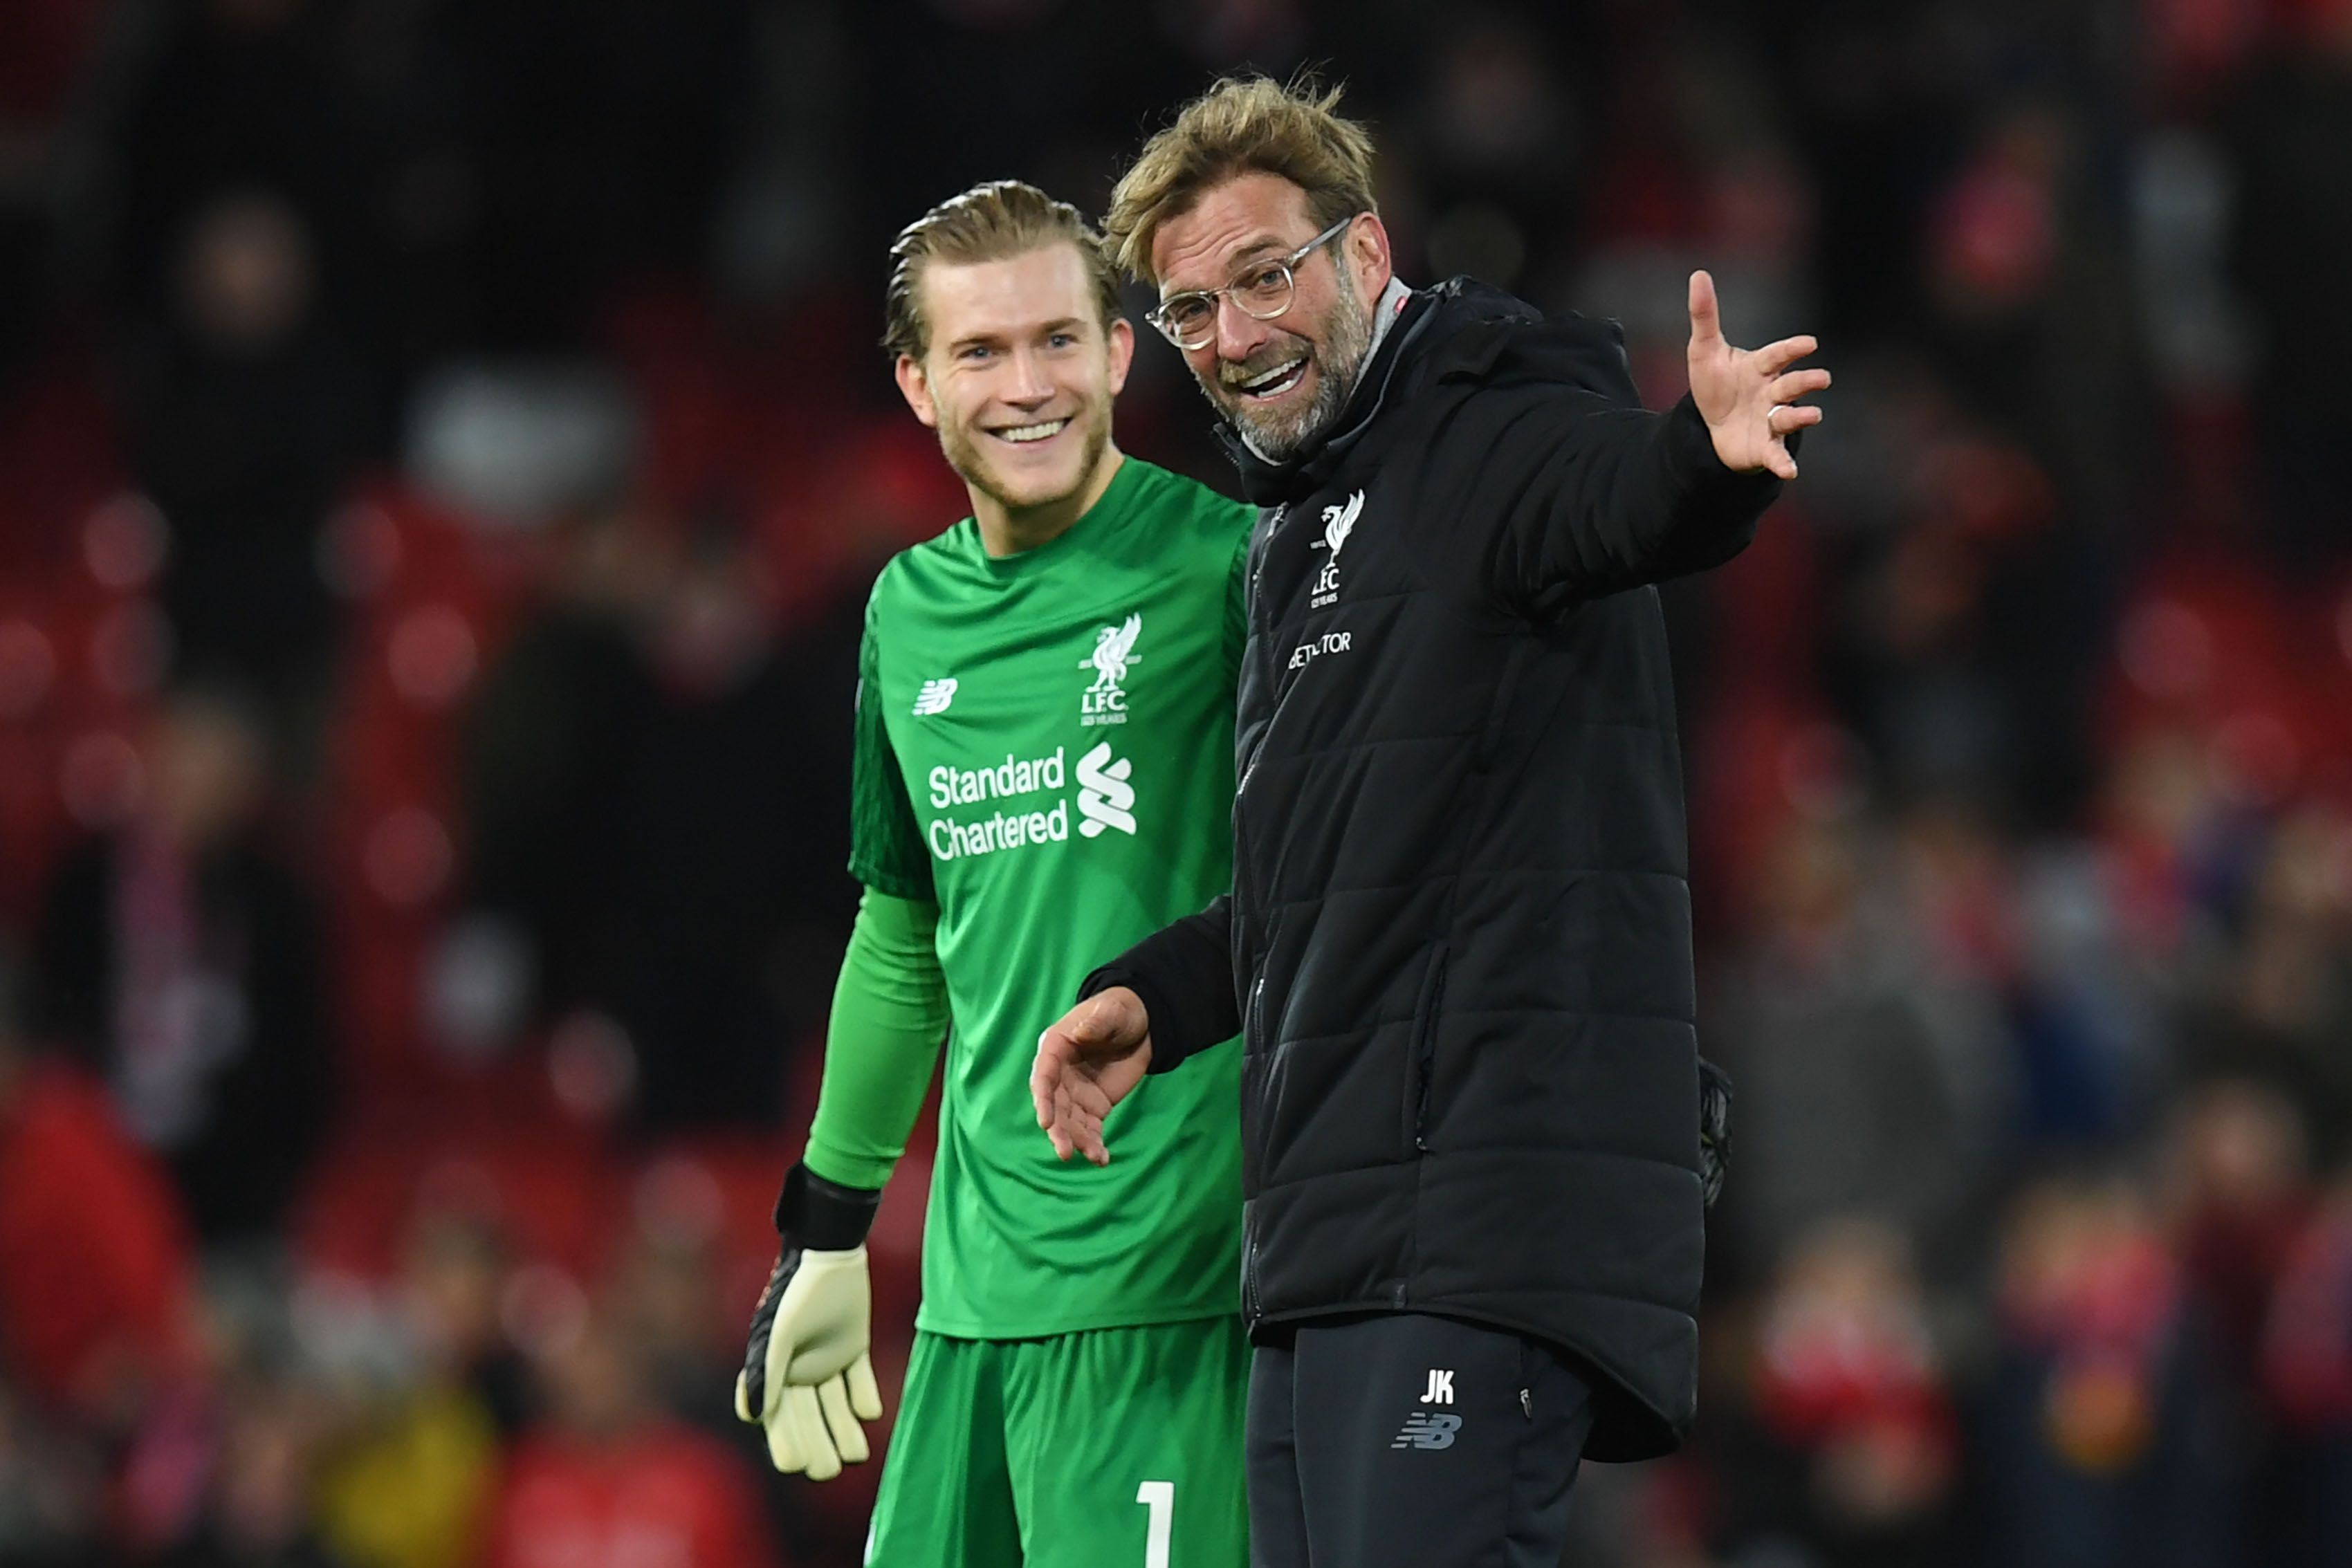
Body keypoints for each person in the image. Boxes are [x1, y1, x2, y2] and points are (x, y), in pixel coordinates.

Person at [1028, 77, 1828, 1567]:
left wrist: (1699, 459)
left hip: (1476, 1228)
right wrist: (1159, 996)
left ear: (1365, 255)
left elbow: (1613, 497)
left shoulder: (1489, 416)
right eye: (1192, 312)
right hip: (1328, 1242)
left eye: (1264, 276)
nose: (1235, 335)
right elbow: (1328, 873)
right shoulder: (1292, 532)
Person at [733, 181, 1257, 1567]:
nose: (1025, 387)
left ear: (1119, 354)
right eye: (978, 352)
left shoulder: (1225, 568)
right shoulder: (905, 612)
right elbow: (903, 938)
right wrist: (828, 1235)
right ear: (914, 382)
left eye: (1056, 342)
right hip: (972, 1307)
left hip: (1170, 1293)